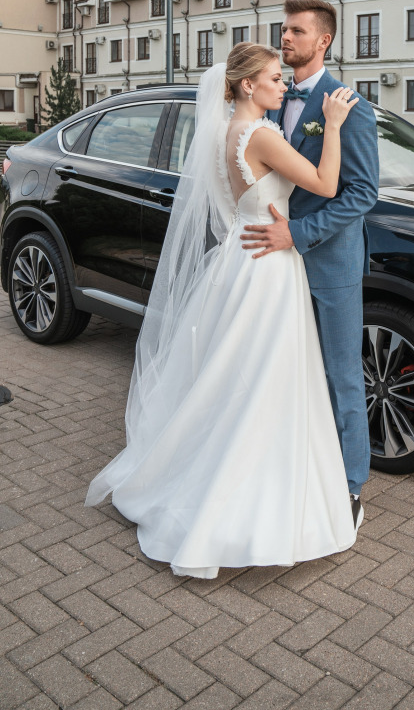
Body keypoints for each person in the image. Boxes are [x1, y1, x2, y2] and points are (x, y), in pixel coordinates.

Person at [86, 43, 362, 578]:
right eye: (275, 79)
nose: (284, 86)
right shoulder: (260, 135)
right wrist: (331, 124)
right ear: (245, 86)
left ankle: (218, 469)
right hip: (268, 267)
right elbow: (326, 185)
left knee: (237, 376)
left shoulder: (222, 135)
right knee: (263, 379)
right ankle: (245, 492)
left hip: (240, 256)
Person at [242, 0, 380, 528]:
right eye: (284, 30)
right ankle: (290, 464)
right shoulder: (272, 97)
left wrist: (297, 234)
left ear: (323, 41)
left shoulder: (350, 106)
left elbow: (361, 194)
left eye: (296, 31)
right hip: (274, 263)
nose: (286, 38)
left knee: (343, 374)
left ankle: (349, 487)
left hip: (327, 263)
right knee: (285, 368)